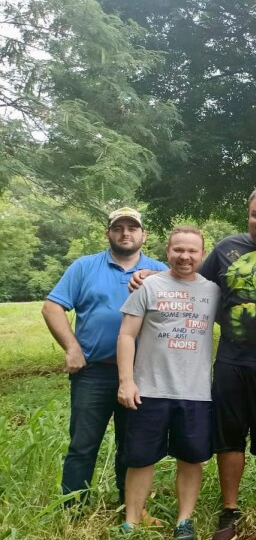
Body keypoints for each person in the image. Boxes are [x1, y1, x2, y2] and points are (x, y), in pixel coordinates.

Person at [133, 185, 256, 540]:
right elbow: (188, 276)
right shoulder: (225, 250)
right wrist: (148, 273)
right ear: (248, 213)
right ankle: (230, 509)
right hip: (232, 359)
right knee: (230, 437)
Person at [42, 207, 167, 506]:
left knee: (133, 443)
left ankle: (129, 506)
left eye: (132, 228)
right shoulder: (85, 267)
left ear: (143, 235)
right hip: (93, 373)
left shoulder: (160, 270)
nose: (126, 233)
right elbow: (52, 307)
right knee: (83, 444)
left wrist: (152, 275)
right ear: (108, 234)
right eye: (119, 228)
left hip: (141, 374)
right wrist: (72, 348)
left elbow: (188, 291)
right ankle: (74, 508)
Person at [116, 226, 220, 540]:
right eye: (178, 250)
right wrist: (126, 380)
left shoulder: (214, 291)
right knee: (140, 459)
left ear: (202, 254)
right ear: (167, 252)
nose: (185, 257)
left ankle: (184, 521)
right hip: (149, 389)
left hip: (195, 392)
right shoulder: (149, 286)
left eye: (192, 251)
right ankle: (131, 522)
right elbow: (126, 335)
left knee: (191, 459)